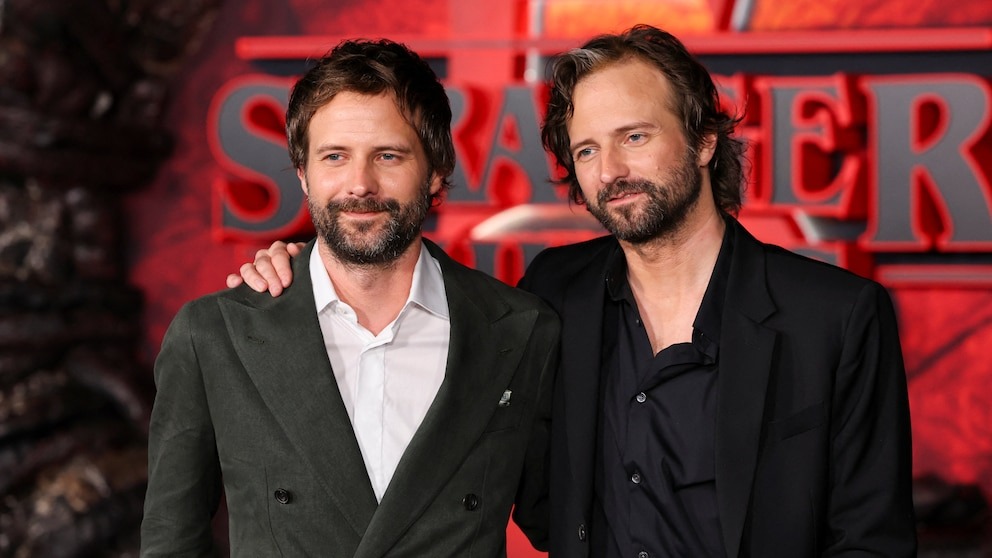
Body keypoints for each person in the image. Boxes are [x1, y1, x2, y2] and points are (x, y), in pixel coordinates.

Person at [231, 25, 917, 557]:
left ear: (705, 139)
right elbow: (526, 487)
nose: (610, 170)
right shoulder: (552, 295)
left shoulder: (834, 316)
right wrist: (301, 271)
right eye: (586, 150)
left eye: (634, 137)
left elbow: (871, 540)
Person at [141, 38, 559, 557]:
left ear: (435, 170)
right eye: (334, 156)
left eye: (388, 155)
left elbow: (566, 523)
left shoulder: (521, 330)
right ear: (303, 174)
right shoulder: (212, 335)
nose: (359, 184)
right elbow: (171, 542)